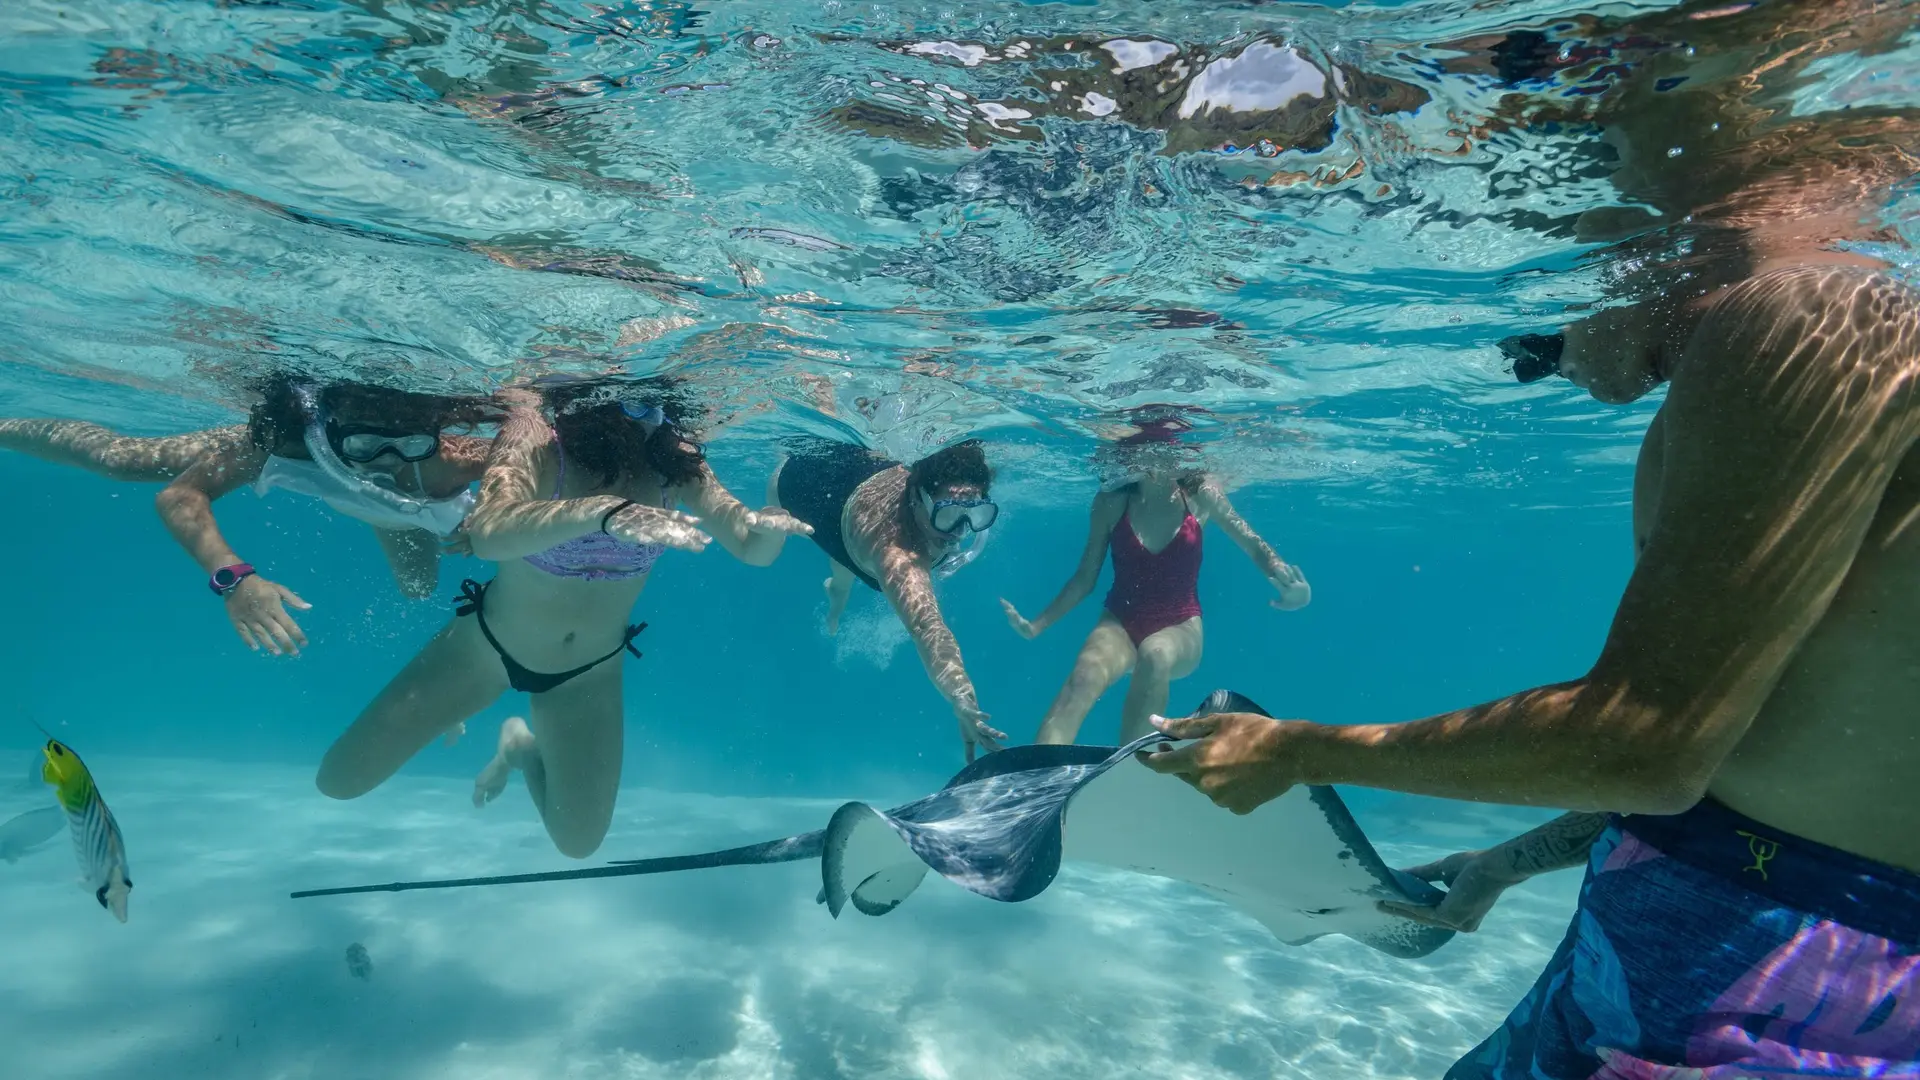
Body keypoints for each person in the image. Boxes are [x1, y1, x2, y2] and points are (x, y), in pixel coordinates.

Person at [1138, 9, 1920, 1067]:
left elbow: (1642, 745)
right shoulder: (1826, 329)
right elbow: (1750, 761)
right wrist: (1507, 864)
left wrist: (1297, 752)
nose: (1553, 153)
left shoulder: (1812, 319)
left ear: (1709, 82)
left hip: (1782, 999)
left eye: (1585, 116)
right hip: (1725, 948)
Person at [315, 377, 809, 859]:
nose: (642, 416)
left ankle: (518, 748)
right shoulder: (535, 430)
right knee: (340, 781)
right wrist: (603, 512)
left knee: (578, 843)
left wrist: (765, 531)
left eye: (650, 406)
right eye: (630, 403)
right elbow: (488, 531)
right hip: (486, 649)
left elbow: (748, 545)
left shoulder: (672, 455)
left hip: (588, 674)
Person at [2, 379, 494, 657]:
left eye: (410, 445)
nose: (386, 460)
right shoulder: (286, 441)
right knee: (120, 461)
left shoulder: (458, 459)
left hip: (405, 521)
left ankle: (382, 516)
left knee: (418, 588)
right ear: (326, 433)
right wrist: (235, 579)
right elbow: (180, 498)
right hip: (322, 462)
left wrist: (499, 518)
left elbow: (553, 475)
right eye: (365, 446)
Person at [1000, 414, 1310, 745]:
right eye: (1145, 451)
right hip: (1119, 621)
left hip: (1180, 625)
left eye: (1163, 451)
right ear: (1129, 456)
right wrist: (1038, 625)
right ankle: (1039, 771)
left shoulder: (1201, 494)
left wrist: (1288, 582)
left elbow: (1251, 542)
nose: (1155, 461)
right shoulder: (1111, 502)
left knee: (1155, 654)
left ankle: (1133, 769)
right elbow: (1084, 578)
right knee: (1084, 676)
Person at [764, 436, 1006, 760]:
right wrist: (961, 697)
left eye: (975, 514)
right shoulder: (897, 555)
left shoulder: (945, 499)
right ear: (917, 500)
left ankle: (838, 589)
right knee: (788, 556)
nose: (959, 532)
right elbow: (927, 627)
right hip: (799, 483)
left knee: (846, 567)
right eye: (948, 516)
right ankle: (837, 592)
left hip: (857, 498)